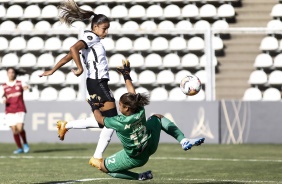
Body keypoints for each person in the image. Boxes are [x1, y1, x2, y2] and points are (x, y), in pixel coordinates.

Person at [57, 60, 205, 180]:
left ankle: (139, 177)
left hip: (136, 158)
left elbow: (100, 119)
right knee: (157, 118)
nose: (118, 106)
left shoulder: (118, 122)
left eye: (120, 105)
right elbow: (132, 93)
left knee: (101, 166)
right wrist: (126, 75)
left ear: (127, 108)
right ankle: (183, 140)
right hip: (150, 145)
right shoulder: (139, 110)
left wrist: (93, 105)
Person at [39, 0, 117, 167]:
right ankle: (97, 157)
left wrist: (53, 69)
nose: (106, 31)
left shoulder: (93, 39)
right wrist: (80, 68)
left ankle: (67, 125)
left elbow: (68, 55)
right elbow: (73, 49)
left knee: (102, 121)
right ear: (95, 27)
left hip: (96, 83)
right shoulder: (91, 36)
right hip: (97, 82)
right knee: (112, 121)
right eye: (104, 28)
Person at [0, 67, 30, 154]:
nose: (11, 74)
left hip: (20, 108)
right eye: (9, 72)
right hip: (9, 110)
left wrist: (28, 88)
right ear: (7, 74)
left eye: (12, 72)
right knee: (14, 129)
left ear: (15, 73)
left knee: (20, 128)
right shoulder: (4, 86)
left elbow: (29, 89)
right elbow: (1, 97)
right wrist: (3, 100)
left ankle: (25, 143)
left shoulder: (20, 83)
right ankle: (19, 148)